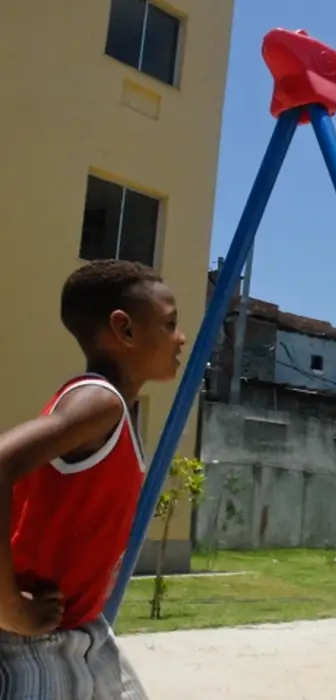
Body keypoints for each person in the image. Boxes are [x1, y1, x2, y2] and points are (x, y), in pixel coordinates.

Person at [0, 260, 186, 700]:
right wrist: (9, 607)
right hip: (33, 642)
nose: (181, 338)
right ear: (124, 330)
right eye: (170, 324)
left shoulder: (110, 408)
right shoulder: (98, 403)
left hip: (86, 632)